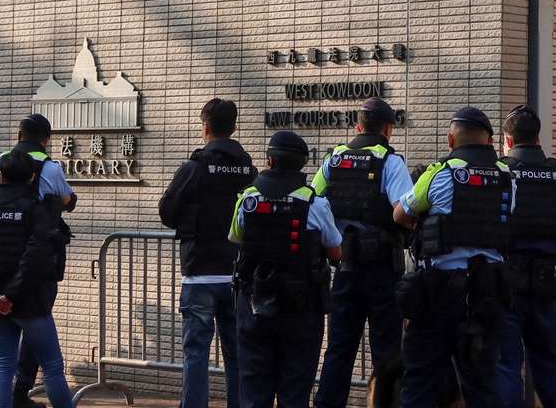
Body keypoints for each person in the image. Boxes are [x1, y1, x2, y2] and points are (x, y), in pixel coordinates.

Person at [394, 107, 513, 408]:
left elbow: (400, 214)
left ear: (450, 140)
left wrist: (426, 226)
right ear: (489, 141)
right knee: (482, 380)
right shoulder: (507, 177)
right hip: (487, 291)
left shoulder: (439, 173)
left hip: (438, 291)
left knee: (420, 379)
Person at [229, 130, 342, 408]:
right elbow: (335, 250)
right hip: (301, 307)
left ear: (269, 160)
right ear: (302, 165)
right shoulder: (315, 203)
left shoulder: (247, 199)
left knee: (254, 386)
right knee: (296, 386)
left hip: (254, 303)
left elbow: (235, 238)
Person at [314, 98, 414, 408]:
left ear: (357, 126)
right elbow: (403, 210)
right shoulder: (391, 162)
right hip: (383, 269)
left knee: (339, 349)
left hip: (345, 267)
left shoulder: (333, 160)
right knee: (386, 352)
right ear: (388, 129)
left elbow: (314, 201)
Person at [159, 98, 257, 408]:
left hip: (199, 271)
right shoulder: (248, 169)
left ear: (205, 127)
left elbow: (167, 211)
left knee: (196, 353)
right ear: (235, 127)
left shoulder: (194, 167)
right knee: (237, 353)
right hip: (237, 274)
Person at [0, 150, 74, 408]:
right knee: (53, 367)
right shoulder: (34, 210)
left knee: (3, 365)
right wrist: (9, 295)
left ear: (0, 176)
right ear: (32, 177)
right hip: (30, 301)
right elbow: (36, 257)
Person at [496, 105, 556, 408]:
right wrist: (550, 251)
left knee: (507, 366)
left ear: (508, 140)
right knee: (550, 366)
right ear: (538, 137)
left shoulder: (500, 173)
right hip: (548, 282)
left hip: (506, 281)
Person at [0, 114, 76, 408]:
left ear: (18, 134)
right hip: (37, 265)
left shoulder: (1, 161)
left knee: (1, 342)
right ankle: (20, 390)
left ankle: (0, 397)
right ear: (46, 138)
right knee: (42, 342)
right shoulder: (50, 167)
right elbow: (68, 200)